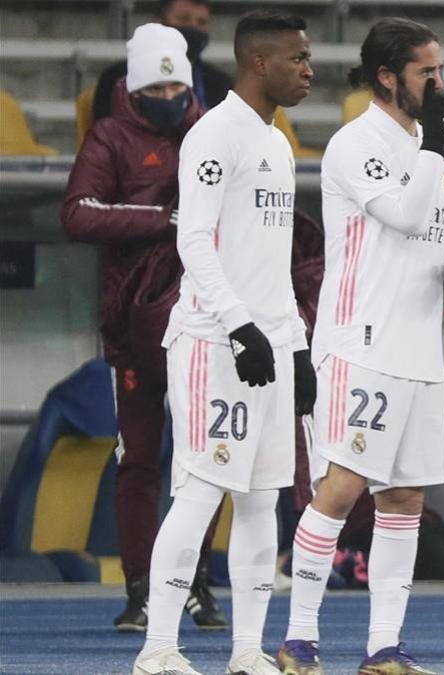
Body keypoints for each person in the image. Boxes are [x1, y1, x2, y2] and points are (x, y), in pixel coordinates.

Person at [276, 17, 444, 675]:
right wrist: (435, 147)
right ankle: (298, 639)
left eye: (440, 69)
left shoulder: (439, 149)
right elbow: (402, 213)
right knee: (341, 488)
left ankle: (382, 648)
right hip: (361, 340)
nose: (440, 83)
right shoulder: (353, 144)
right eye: (427, 71)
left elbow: (433, 229)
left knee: (405, 499)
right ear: (388, 77)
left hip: (421, 348)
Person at [131, 10, 315, 675]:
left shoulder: (279, 143)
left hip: (268, 345)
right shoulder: (213, 136)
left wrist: (295, 343)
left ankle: (246, 651)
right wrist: (238, 324)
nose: (309, 70)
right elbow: (193, 240)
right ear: (259, 62)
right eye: (298, 58)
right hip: (214, 343)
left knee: (265, 496)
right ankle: (158, 648)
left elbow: (273, 261)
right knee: (203, 489)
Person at [61, 21, 228, 635]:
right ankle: (139, 590)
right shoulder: (109, 137)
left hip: (204, 322)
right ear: (134, 89)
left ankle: (197, 584)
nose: (169, 97)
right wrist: (166, 219)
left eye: (177, 87)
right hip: (132, 327)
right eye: (157, 88)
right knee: (138, 460)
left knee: (203, 459)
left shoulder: (211, 133)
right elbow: (77, 213)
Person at [94, 0, 233, 120]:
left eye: (201, 22)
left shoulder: (221, 85)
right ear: (158, 22)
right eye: (183, 19)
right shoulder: (118, 78)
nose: (193, 27)